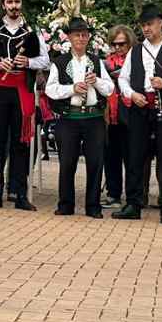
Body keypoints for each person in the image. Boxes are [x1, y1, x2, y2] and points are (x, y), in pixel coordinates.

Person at [115, 6, 162, 224]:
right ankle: (133, 203)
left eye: (150, 24)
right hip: (140, 108)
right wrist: (132, 94)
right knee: (135, 156)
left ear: (160, 23)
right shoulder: (135, 50)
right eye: (143, 25)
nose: (146, 28)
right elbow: (123, 79)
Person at [0, 0, 49, 211]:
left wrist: (27, 61)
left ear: (21, 4)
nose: (14, 5)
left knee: (21, 142)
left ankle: (19, 194)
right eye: (10, 2)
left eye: (17, 2)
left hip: (21, 90)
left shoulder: (31, 31)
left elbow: (45, 61)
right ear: (4, 5)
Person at [44, 18, 113, 217]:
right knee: (67, 162)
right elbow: (51, 89)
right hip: (69, 117)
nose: (81, 38)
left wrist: (97, 81)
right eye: (77, 35)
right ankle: (65, 204)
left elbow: (109, 89)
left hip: (94, 116)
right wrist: (72, 89)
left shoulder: (97, 61)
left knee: (95, 162)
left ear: (89, 37)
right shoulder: (60, 61)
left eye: (84, 35)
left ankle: (93, 206)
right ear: (69, 37)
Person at [102, 25, 133, 206]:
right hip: (110, 114)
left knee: (131, 157)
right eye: (114, 44)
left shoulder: (136, 60)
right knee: (111, 156)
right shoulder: (106, 62)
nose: (118, 47)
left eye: (122, 44)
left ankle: (132, 197)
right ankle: (113, 194)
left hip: (130, 113)